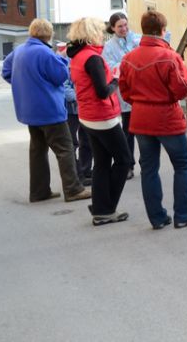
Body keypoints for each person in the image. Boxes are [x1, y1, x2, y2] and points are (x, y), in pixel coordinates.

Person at [119, 11, 187, 229]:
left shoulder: (129, 58)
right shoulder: (169, 56)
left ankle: (157, 218)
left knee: (149, 168)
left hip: (140, 117)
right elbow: (182, 88)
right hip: (166, 117)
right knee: (182, 164)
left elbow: (125, 91)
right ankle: (184, 214)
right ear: (163, 31)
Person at [2, 18, 91, 204]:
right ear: (49, 34)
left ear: (31, 32)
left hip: (29, 112)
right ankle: (73, 189)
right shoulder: (45, 53)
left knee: (37, 151)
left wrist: (24, 84)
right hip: (49, 110)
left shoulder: (18, 51)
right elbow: (60, 77)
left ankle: (39, 191)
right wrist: (62, 58)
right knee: (65, 149)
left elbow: (6, 71)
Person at [66, 17, 131, 225]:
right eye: (100, 31)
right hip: (102, 116)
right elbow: (103, 91)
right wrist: (115, 79)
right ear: (91, 34)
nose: (102, 34)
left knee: (102, 163)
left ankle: (101, 208)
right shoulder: (92, 58)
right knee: (123, 160)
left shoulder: (77, 56)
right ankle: (106, 207)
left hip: (87, 116)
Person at [103, 12, 141, 178]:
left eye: (125, 25)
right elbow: (110, 68)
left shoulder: (137, 39)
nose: (124, 29)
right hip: (126, 94)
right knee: (128, 132)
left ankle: (147, 164)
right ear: (112, 28)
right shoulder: (109, 47)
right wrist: (128, 63)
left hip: (142, 92)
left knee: (145, 132)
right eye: (119, 26)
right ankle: (128, 165)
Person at [59, 41, 92, 186]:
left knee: (87, 141)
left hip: (86, 108)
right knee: (72, 143)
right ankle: (78, 175)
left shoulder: (89, 60)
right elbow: (65, 87)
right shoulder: (68, 63)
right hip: (72, 110)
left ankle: (86, 170)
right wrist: (80, 97)